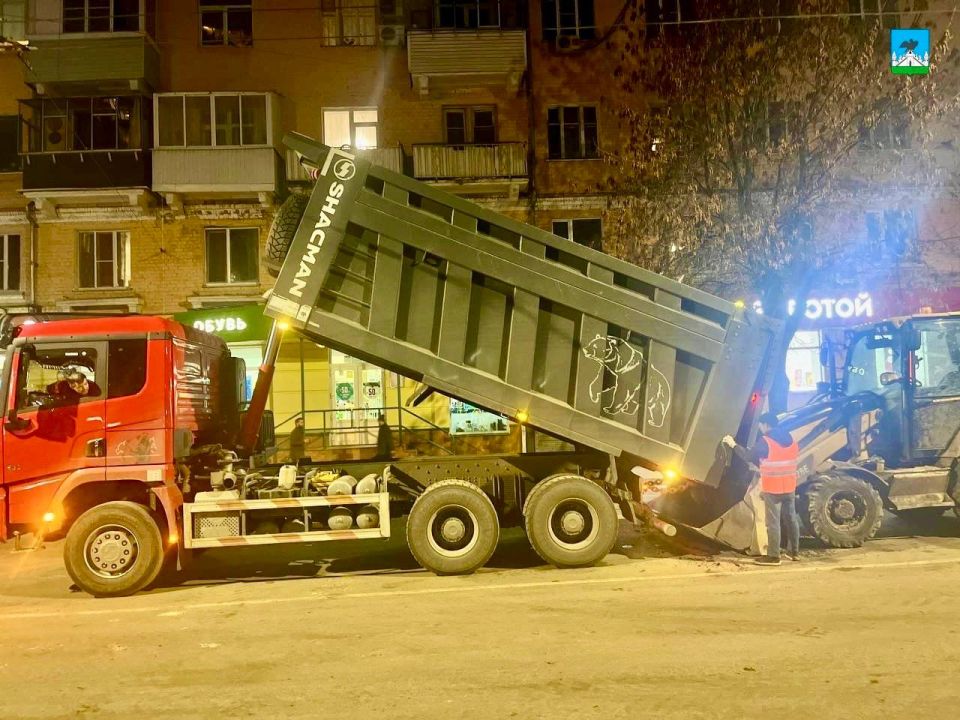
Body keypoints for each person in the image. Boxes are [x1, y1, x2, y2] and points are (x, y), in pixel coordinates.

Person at [723, 411, 800, 565]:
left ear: (766, 425)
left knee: (773, 523)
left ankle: (773, 556)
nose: (760, 428)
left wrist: (733, 445)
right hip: (790, 486)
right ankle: (794, 553)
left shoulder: (766, 441)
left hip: (773, 488)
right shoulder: (791, 439)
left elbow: (748, 456)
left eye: (760, 426)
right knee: (791, 519)